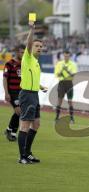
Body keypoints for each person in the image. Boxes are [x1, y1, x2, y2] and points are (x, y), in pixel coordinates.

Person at [18, 20, 47, 164]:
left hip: (34, 94)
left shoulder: (35, 62)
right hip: (27, 95)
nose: (39, 48)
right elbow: (29, 43)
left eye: (41, 46)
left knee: (36, 124)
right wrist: (31, 30)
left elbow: (32, 78)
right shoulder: (28, 57)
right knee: (24, 125)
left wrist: (41, 87)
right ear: (31, 47)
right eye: (37, 46)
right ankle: (22, 156)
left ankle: (27, 153)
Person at [3, 45, 25, 141]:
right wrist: (6, 93)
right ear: (16, 52)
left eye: (24, 52)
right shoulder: (9, 64)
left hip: (21, 92)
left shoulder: (24, 63)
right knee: (19, 111)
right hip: (12, 91)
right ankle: (12, 132)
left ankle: (9, 130)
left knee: (19, 112)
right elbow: (5, 78)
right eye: (21, 52)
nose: (23, 54)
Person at [54, 50, 77, 123]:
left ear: (69, 56)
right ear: (63, 56)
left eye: (67, 56)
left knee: (70, 101)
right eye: (65, 56)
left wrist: (66, 71)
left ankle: (72, 118)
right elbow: (57, 74)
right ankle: (57, 118)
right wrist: (64, 72)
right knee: (59, 100)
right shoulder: (59, 64)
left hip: (69, 83)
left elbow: (73, 74)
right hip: (61, 83)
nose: (66, 57)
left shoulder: (73, 64)